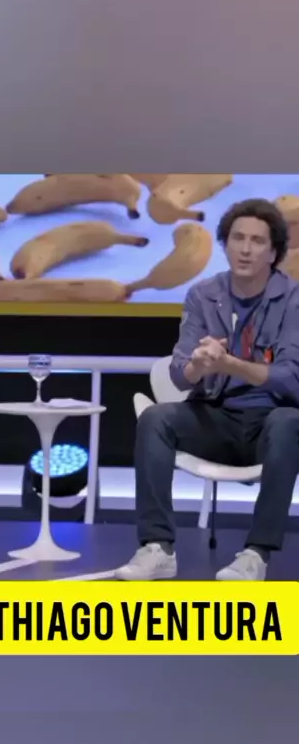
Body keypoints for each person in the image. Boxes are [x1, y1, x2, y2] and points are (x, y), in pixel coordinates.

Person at [116, 198, 299, 582]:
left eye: (257, 241)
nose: (245, 249)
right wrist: (199, 365)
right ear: (225, 244)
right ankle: (157, 548)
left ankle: (256, 554)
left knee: (289, 422)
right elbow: (181, 376)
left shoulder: (293, 300)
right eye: (237, 238)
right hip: (216, 416)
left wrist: (232, 364)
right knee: (156, 418)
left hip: (270, 422)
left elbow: (290, 379)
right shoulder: (203, 295)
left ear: (273, 252)